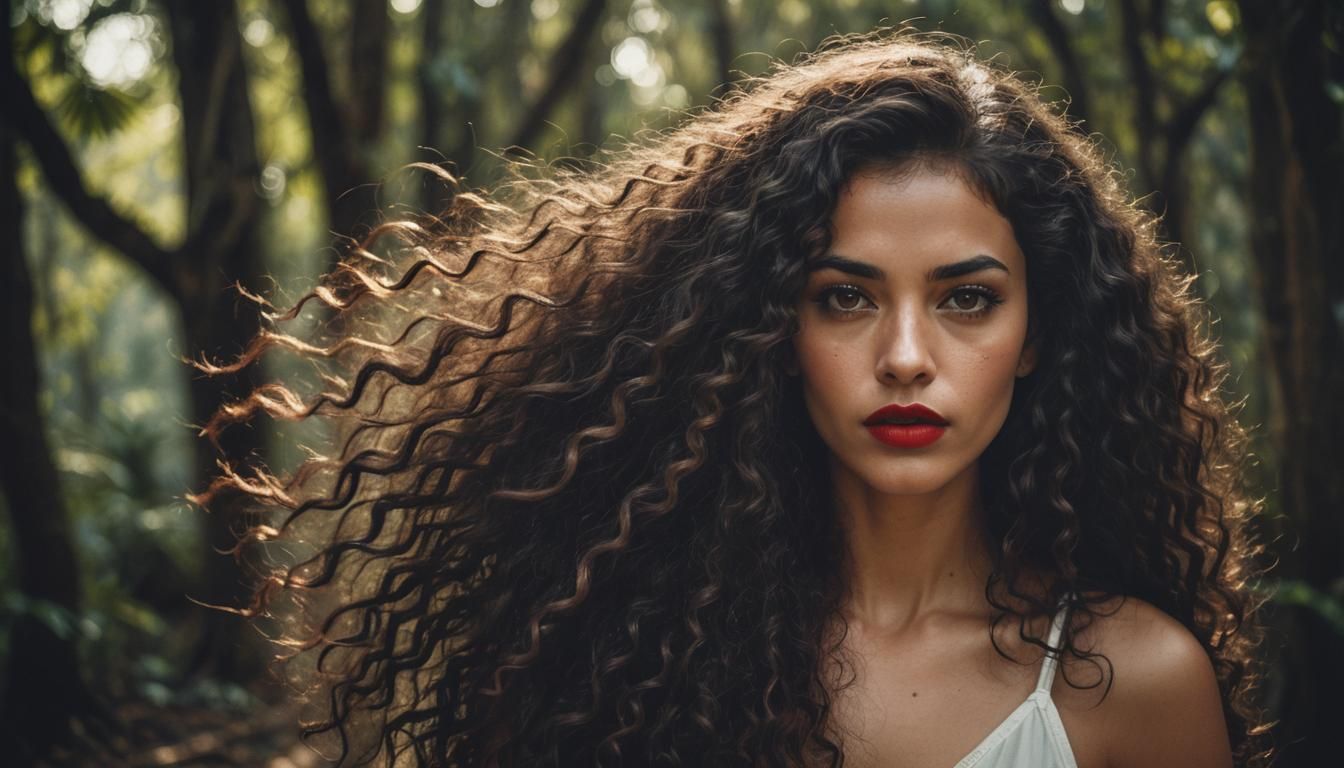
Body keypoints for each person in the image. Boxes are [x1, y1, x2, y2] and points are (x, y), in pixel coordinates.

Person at [199, 30, 1269, 768]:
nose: (906, 357)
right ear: (770, 330)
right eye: (845, 297)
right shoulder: (628, 656)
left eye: (967, 300)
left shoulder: (1133, 681)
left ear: (1036, 337)